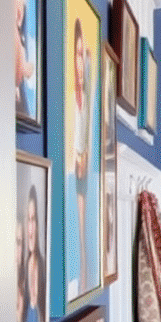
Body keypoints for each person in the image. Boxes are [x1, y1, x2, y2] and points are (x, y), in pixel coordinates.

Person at [72, 18, 93, 296]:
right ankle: (83, 272)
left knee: (84, 227)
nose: (79, 64)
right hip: (75, 169)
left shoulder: (85, 99)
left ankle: (86, 271)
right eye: (75, 55)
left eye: (81, 55)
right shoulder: (73, 99)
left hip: (83, 170)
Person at [22, 183, 44, 322]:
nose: (30, 228)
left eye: (33, 220)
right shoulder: (21, 267)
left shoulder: (41, 266)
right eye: (27, 219)